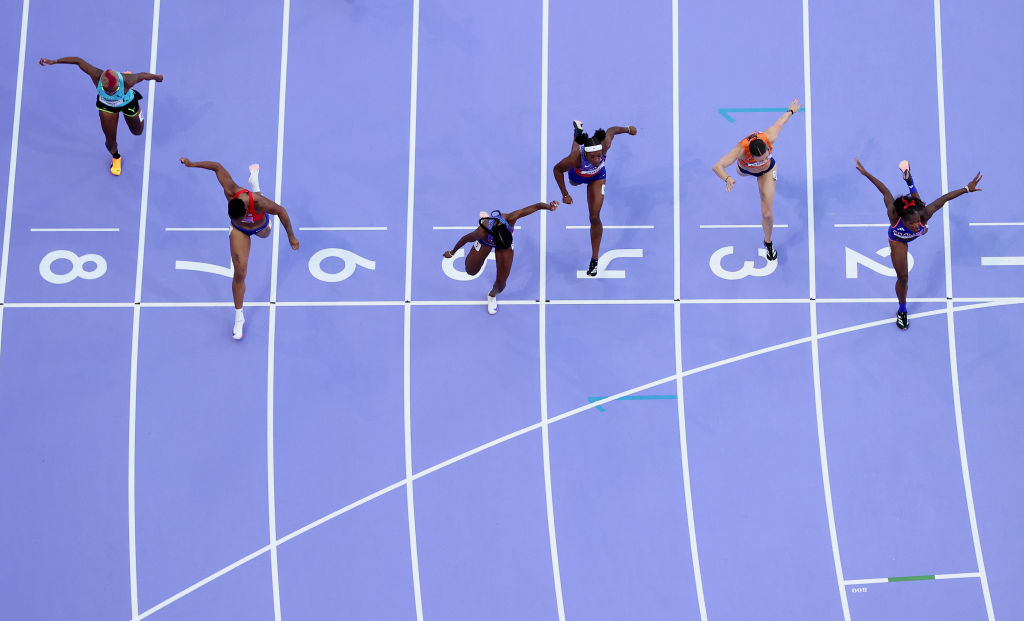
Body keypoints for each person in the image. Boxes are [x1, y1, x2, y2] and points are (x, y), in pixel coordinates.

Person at [179, 158, 300, 339]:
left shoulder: (258, 203)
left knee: (267, 233)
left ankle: (255, 183)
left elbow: (282, 211)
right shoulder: (230, 191)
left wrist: (291, 236)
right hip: (240, 231)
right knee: (240, 273)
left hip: (261, 227)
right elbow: (217, 167)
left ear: (245, 209)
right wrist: (192, 164)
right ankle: (239, 317)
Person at [855, 157, 982, 329]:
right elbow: (885, 191)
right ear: (902, 219)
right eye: (911, 223)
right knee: (903, 277)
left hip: (917, 218)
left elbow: (943, 199)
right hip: (898, 239)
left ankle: (909, 181)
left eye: (916, 222)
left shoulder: (923, 215)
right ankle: (902, 310)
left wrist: (967, 189)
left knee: (919, 204)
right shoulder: (894, 215)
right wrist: (866, 173)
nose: (915, 225)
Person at [39, 56, 163, 175]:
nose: (109, 92)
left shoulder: (128, 81)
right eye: (106, 90)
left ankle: (125, 80)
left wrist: (158, 77)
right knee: (110, 143)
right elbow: (77, 61)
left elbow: (144, 75)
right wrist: (54, 61)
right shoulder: (96, 75)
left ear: (119, 85)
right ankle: (116, 158)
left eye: (112, 90)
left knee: (137, 132)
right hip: (107, 107)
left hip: (128, 103)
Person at [711, 99, 801, 261]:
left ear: (767, 148)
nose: (764, 156)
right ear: (750, 155)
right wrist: (727, 178)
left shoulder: (770, 136)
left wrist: (791, 111)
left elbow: (781, 121)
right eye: (759, 158)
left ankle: (768, 243)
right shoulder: (740, 150)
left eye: (766, 154)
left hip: (767, 172)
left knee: (767, 214)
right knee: (740, 173)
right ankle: (746, 173)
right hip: (744, 170)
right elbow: (717, 166)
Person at [443, 200, 559, 314]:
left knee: (501, 284)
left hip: (505, 247)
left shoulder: (511, 218)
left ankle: (492, 296)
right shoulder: (481, 232)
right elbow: (464, 239)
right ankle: (479, 248)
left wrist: (549, 207)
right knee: (470, 271)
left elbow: (537, 206)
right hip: (485, 242)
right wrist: (452, 252)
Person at [553, 120, 637, 276]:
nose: (597, 159)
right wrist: (565, 193)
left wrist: (627, 129)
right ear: (586, 154)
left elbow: (611, 130)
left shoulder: (604, 145)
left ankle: (594, 260)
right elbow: (557, 170)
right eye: (593, 157)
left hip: (597, 177)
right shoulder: (576, 158)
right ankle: (577, 135)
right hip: (576, 176)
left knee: (594, 216)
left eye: (599, 156)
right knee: (573, 157)